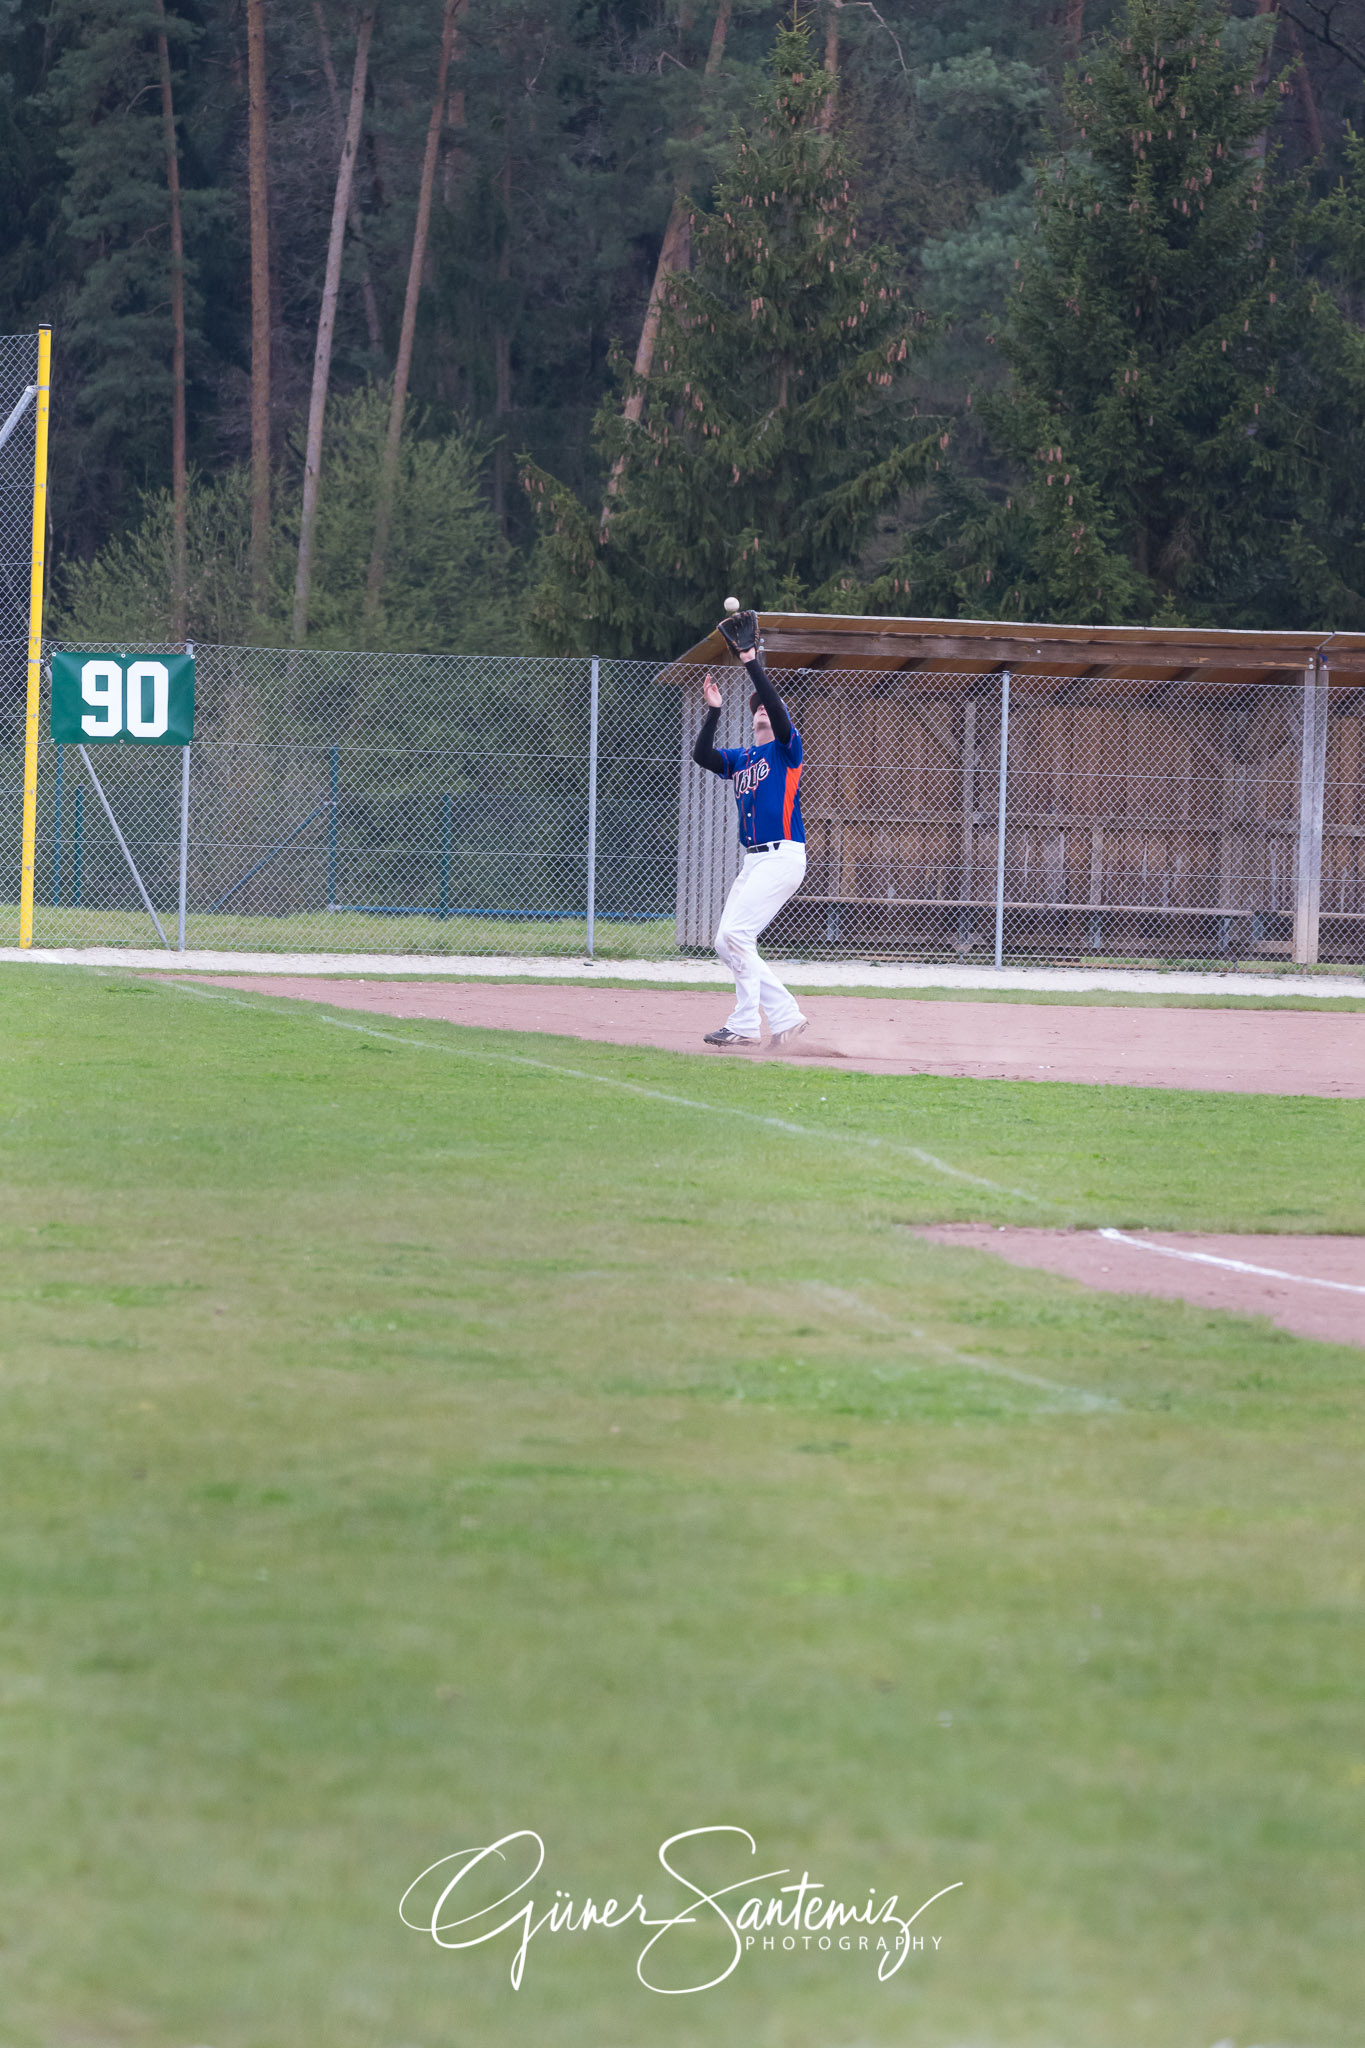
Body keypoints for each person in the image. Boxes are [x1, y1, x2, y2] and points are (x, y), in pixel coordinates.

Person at [691, 607, 810, 1049]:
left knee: (737, 936)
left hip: (783, 855)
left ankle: (744, 1024)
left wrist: (750, 661)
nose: (762, 710)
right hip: (754, 861)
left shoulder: (787, 750)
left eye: (767, 707)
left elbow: (775, 705)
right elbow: (703, 756)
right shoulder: (742, 758)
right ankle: (787, 1017)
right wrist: (714, 711)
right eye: (755, 707)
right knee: (727, 942)